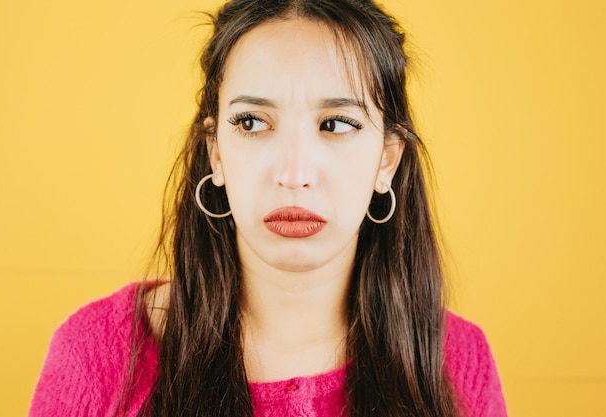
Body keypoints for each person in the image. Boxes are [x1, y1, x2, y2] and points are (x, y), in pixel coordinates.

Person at [29, 0, 507, 416]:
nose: (294, 173)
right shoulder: (99, 352)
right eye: (253, 122)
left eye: (337, 124)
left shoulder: (458, 361)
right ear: (216, 153)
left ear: (387, 159)